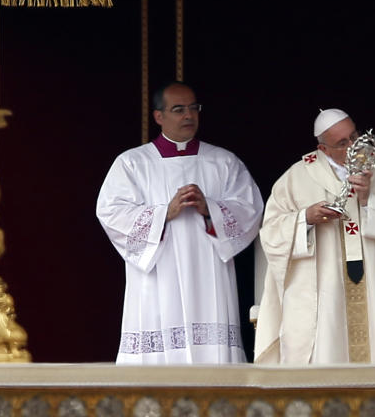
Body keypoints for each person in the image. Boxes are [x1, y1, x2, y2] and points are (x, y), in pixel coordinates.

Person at [96, 82, 264, 364]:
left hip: (209, 272)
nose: (189, 115)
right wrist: (164, 213)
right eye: (178, 110)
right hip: (158, 276)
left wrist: (210, 209)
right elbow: (111, 213)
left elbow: (251, 210)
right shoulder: (132, 164)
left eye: (193, 108)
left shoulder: (223, 162)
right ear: (158, 116)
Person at [254, 109, 375, 364]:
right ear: (323, 149)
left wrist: (371, 201)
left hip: (374, 287)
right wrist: (306, 219)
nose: (353, 146)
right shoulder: (297, 176)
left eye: (354, 136)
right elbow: (270, 232)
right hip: (324, 290)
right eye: (342, 143)